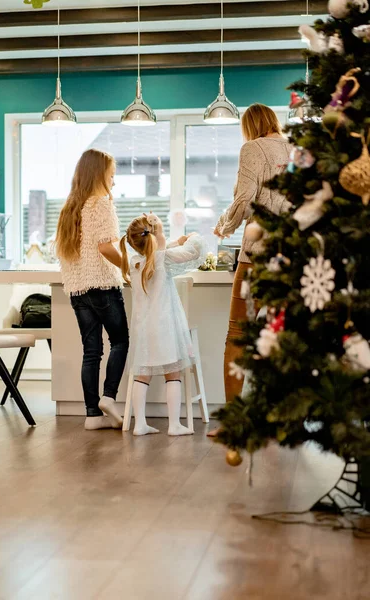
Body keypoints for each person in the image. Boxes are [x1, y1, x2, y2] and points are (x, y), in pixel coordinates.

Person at [209, 103, 292, 436]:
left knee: (239, 334)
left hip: (258, 254)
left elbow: (245, 199)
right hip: (292, 256)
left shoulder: (253, 148)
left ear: (251, 126)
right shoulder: (295, 150)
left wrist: (224, 226)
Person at [56, 149, 128, 431]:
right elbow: (105, 247)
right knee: (120, 341)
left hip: (78, 289)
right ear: (99, 175)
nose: (114, 182)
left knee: (91, 351)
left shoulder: (70, 208)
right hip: (102, 285)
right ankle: (109, 398)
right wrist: (127, 267)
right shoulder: (101, 204)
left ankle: (92, 415)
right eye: (112, 175)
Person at [119, 214, 206, 436]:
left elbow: (161, 249)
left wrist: (173, 240)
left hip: (143, 330)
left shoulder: (135, 262)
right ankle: (175, 424)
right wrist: (194, 236)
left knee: (142, 375)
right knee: (173, 373)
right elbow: (193, 251)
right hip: (165, 328)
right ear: (156, 238)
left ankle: (139, 424)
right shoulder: (162, 258)